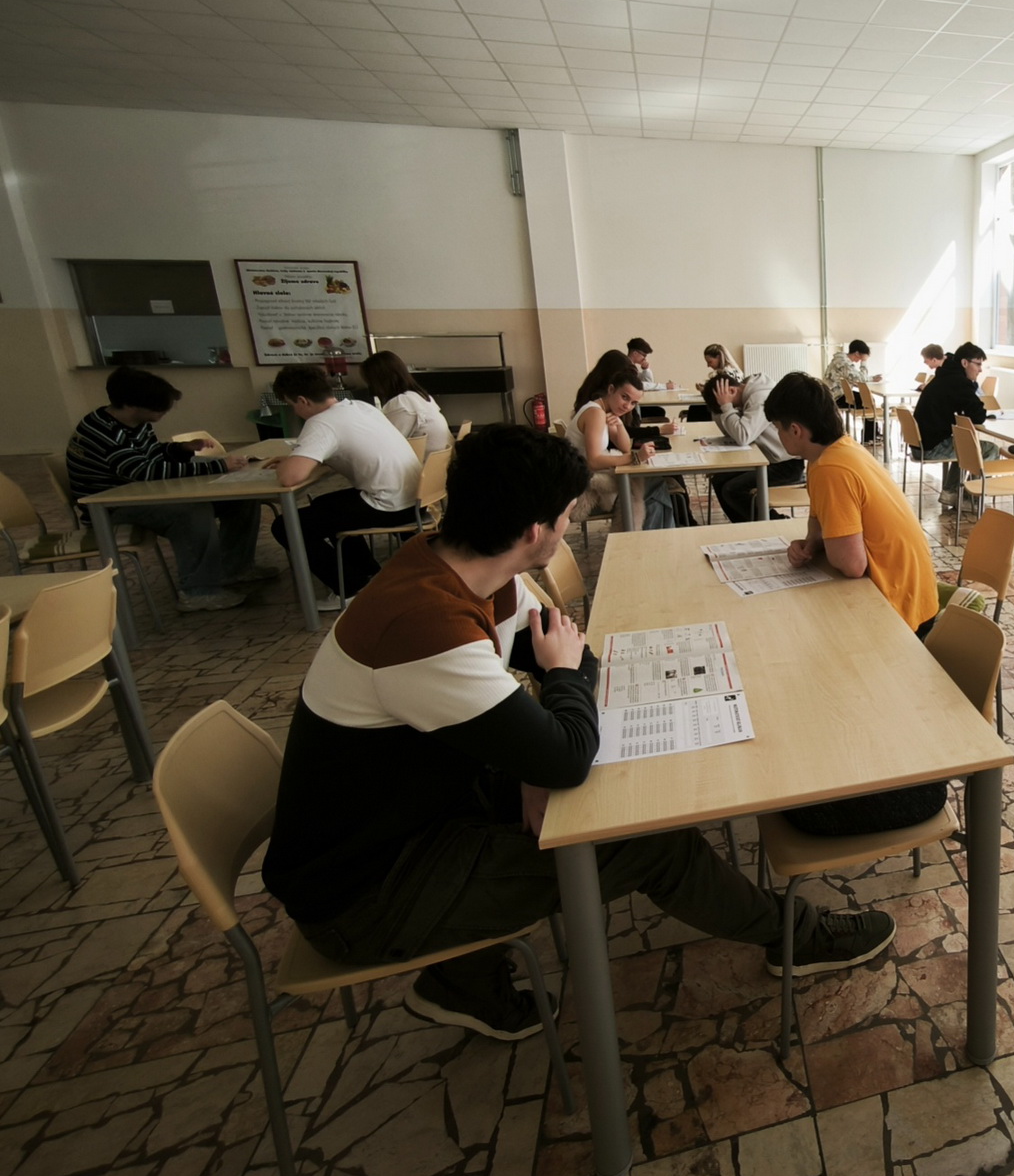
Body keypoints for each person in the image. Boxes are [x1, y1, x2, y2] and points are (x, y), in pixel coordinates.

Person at [262, 424, 894, 1039]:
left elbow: (574, 655)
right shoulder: (425, 628)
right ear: (535, 532)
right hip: (370, 892)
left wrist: (541, 742)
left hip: (429, 811)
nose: (569, 525)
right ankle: (798, 937)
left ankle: (461, 981)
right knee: (648, 841)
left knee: (603, 784)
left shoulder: (465, 565)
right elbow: (565, 727)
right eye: (567, 516)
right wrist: (548, 736)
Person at [764, 373, 946, 837]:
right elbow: (823, 519)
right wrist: (810, 543)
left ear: (796, 430)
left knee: (817, 656)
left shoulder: (829, 468)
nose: (778, 436)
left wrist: (823, 547)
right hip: (916, 596)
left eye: (778, 428)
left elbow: (851, 564)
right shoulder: (839, 452)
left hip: (897, 613)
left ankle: (847, 763)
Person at [66, 366, 269, 612]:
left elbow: (151, 454)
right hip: (112, 506)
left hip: (143, 493)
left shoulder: (136, 421)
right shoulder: (104, 432)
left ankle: (234, 569)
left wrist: (181, 449)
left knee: (241, 498)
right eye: (159, 408)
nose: (164, 412)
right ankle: (198, 592)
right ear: (132, 405)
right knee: (191, 512)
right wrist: (218, 466)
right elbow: (144, 471)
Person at [270, 365, 423, 598]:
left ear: (302, 401)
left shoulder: (321, 422)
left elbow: (290, 477)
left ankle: (350, 588)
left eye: (291, 405)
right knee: (324, 505)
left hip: (389, 506)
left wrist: (288, 463)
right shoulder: (360, 407)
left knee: (285, 526)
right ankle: (366, 572)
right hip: (415, 498)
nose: (295, 411)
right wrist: (303, 457)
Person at [570, 361, 677, 529]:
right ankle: (642, 537)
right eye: (625, 397)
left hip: (590, 475)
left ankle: (652, 537)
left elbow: (625, 447)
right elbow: (594, 462)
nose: (627, 406)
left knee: (654, 487)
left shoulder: (602, 410)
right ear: (611, 389)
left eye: (633, 403)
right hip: (584, 484)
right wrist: (635, 457)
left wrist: (619, 425)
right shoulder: (595, 413)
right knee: (655, 486)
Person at [702, 370, 803, 523]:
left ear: (732, 390)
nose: (732, 408)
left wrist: (727, 407)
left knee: (732, 489)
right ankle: (744, 526)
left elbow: (743, 436)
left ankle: (775, 521)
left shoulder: (760, 398)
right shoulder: (747, 395)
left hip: (786, 464)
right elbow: (731, 434)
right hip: (766, 459)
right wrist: (721, 410)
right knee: (719, 480)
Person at [914, 341, 1002, 511]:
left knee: (966, 445)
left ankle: (950, 493)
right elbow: (978, 415)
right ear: (965, 363)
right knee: (990, 450)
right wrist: (972, 386)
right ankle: (970, 499)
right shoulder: (958, 382)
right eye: (978, 364)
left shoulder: (945, 375)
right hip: (931, 446)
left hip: (921, 442)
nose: (980, 370)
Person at [359, 350, 452, 454]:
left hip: (422, 463)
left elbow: (386, 446)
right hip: (437, 462)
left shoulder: (401, 403)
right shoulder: (421, 397)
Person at [826, 339, 878, 443]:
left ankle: (871, 434)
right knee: (868, 400)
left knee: (867, 399)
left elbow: (854, 378)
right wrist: (864, 362)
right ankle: (870, 436)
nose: (862, 359)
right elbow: (860, 379)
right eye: (862, 356)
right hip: (838, 396)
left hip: (834, 394)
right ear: (857, 353)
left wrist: (871, 378)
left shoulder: (841, 360)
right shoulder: (844, 362)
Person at [627, 337, 667, 419]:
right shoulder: (626, 366)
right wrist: (665, 386)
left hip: (634, 402)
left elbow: (649, 383)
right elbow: (639, 385)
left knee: (659, 411)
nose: (645, 358)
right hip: (630, 405)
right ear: (635, 353)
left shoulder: (632, 366)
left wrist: (646, 369)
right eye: (644, 355)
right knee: (658, 412)